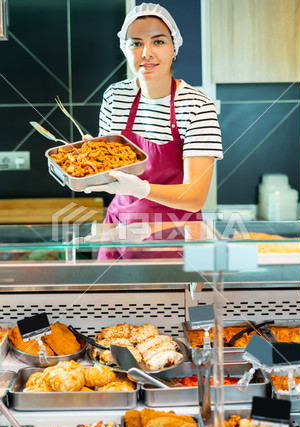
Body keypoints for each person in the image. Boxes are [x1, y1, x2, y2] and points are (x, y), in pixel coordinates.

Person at [84, 3, 223, 257]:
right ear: (125, 49)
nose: (146, 53)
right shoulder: (115, 97)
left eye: (158, 42)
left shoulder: (197, 106)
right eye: (136, 43)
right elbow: (113, 173)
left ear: (174, 49)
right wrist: (91, 161)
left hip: (175, 240)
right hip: (119, 232)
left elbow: (194, 197)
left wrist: (140, 188)